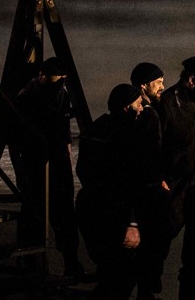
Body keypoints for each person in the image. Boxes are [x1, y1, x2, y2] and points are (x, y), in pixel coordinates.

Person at [9, 56, 88, 281]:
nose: (61, 82)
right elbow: (15, 138)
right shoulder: (27, 97)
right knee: (35, 213)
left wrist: (67, 152)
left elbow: (62, 127)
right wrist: (21, 172)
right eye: (58, 78)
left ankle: (70, 263)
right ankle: (31, 265)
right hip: (36, 162)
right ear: (43, 76)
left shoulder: (57, 92)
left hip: (56, 160)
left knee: (63, 214)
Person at [147, 55, 195, 300]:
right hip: (173, 181)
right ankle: (150, 276)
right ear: (190, 79)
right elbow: (153, 145)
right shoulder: (167, 104)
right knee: (165, 231)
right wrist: (158, 178)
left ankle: (189, 284)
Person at [76, 83, 146, 300]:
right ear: (127, 107)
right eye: (139, 104)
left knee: (110, 272)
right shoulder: (125, 136)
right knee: (125, 273)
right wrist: (131, 222)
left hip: (88, 207)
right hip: (112, 214)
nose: (142, 109)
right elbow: (123, 184)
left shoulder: (95, 129)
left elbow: (83, 171)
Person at [128, 62, 169, 298]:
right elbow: (150, 152)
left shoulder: (138, 111)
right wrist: (159, 178)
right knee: (153, 241)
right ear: (144, 85)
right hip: (149, 188)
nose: (163, 86)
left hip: (144, 186)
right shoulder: (148, 114)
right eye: (158, 82)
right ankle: (148, 286)